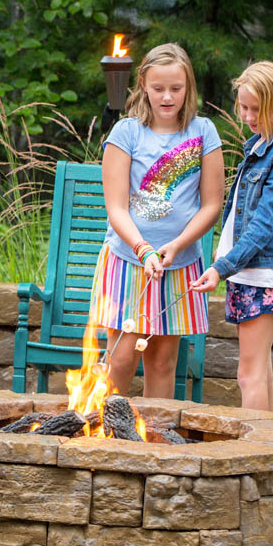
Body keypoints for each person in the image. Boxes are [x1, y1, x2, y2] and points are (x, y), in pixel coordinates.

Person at [95, 43, 224, 398]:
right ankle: (104, 436)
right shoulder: (126, 132)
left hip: (180, 265)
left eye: (176, 88)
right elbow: (117, 207)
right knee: (121, 358)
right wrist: (143, 249)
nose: (167, 97)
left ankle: (156, 440)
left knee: (163, 362)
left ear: (189, 87)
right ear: (143, 86)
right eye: (158, 88)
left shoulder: (204, 132)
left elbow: (212, 204)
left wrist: (177, 245)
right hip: (128, 260)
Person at [191, 61, 273, 412]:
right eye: (243, 107)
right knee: (259, 373)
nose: (247, 115)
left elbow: (262, 226)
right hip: (245, 272)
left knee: (249, 373)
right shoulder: (258, 148)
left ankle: (254, 456)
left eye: (256, 109)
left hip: (263, 275)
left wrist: (221, 267)